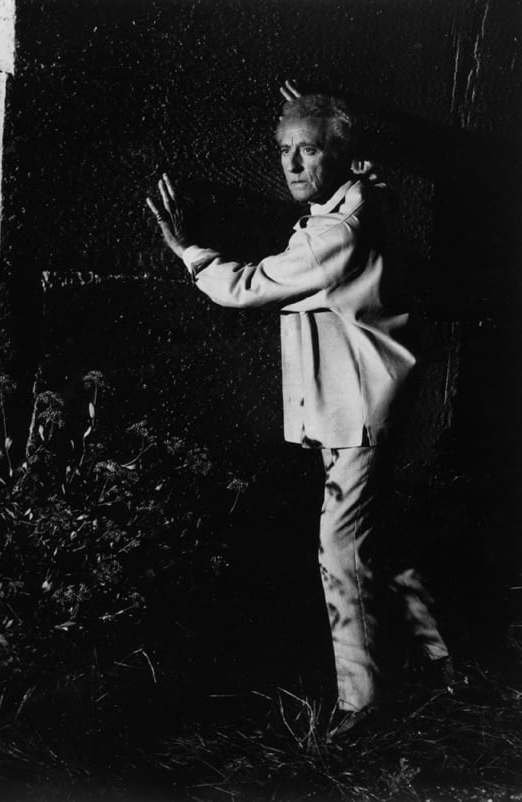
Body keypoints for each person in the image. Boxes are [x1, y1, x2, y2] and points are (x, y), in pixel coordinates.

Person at [146, 80, 451, 738]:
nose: (289, 165)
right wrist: (320, 121)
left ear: (339, 156)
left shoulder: (334, 233)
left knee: (340, 549)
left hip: (359, 411)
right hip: (368, 401)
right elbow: (369, 172)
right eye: (283, 149)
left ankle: (361, 707)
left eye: (307, 151)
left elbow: (245, 287)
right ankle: (442, 661)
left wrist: (186, 250)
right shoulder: (366, 194)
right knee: (377, 537)